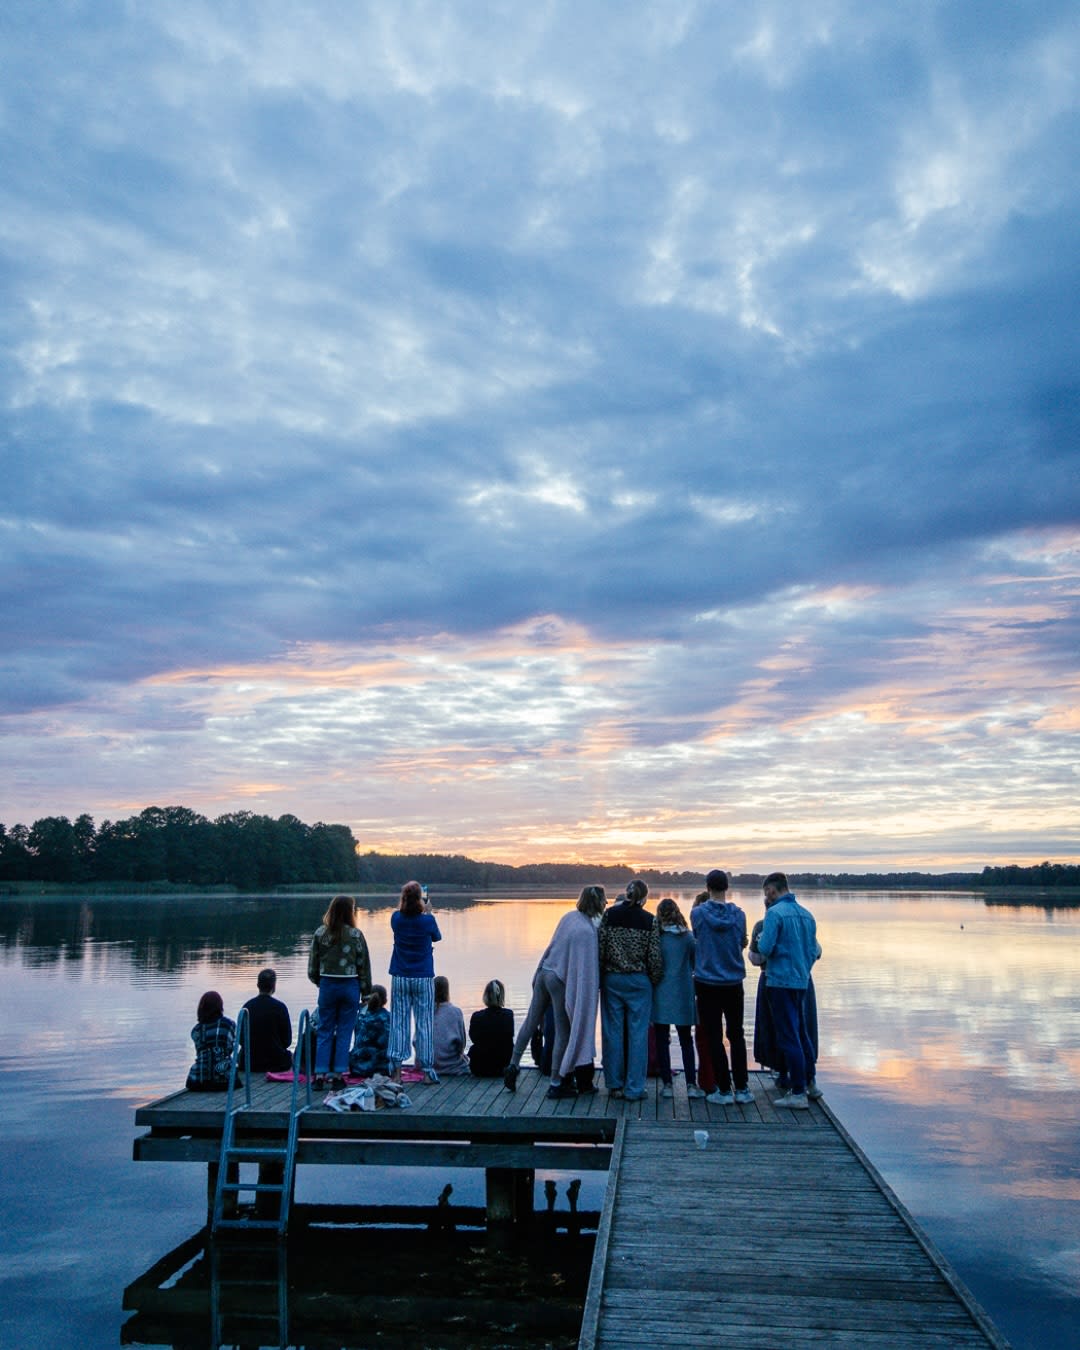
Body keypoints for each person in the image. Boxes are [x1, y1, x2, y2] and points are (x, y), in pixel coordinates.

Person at [503, 884, 607, 1099]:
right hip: (559, 980)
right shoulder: (587, 931)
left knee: (531, 1020)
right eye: (604, 900)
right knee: (563, 1031)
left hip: (545, 970)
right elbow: (585, 971)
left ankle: (513, 1064)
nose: (607, 903)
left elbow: (554, 945)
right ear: (597, 903)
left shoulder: (569, 917)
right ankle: (556, 1082)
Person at [756, 872, 822, 1109]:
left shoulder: (775, 914)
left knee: (788, 1036)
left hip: (779, 982)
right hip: (801, 981)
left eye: (767, 894)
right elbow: (814, 951)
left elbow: (764, 948)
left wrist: (762, 935)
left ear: (772, 891)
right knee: (802, 1032)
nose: (767, 898)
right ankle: (810, 1083)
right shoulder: (807, 915)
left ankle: (797, 1092)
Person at [690, 869, 752, 1105]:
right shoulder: (740, 915)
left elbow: (697, 937)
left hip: (706, 982)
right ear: (727, 887)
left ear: (708, 888)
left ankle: (724, 1090)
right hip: (734, 982)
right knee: (736, 1035)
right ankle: (743, 1088)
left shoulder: (697, 914)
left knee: (714, 1036)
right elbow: (740, 942)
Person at [599, 878, 663, 1102]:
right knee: (638, 1035)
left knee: (612, 1033)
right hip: (638, 981)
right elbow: (654, 957)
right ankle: (635, 1088)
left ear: (626, 894)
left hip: (613, 979)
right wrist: (654, 980)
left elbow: (601, 946)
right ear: (644, 898)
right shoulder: (650, 920)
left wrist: (600, 976)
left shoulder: (610, 915)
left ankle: (614, 1085)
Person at [307, 895, 373, 1089]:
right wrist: (366, 992)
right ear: (349, 912)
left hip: (328, 985)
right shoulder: (355, 935)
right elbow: (364, 966)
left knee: (324, 1030)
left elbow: (313, 966)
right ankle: (337, 1075)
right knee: (345, 1031)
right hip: (349, 986)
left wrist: (320, 982)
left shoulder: (320, 934)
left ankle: (319, 1075)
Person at [388, 880, 442, 1084]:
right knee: (424, 1024)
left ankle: (396, 1072)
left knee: (398, 1024)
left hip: (400, 976)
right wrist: (428, 912)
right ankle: (427, 1070)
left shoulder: (396, 918)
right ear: (420, 899)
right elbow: (436, 937)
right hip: (423, 976)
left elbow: (400, 915)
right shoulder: (427, 921)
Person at [651, 898, 705, 1098]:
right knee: (686, 1041)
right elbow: (695, 964)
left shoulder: (657, 937)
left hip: (661, 993)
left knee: (662, 1040)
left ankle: (667, 1085)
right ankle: (691, 1084)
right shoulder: (688, 938)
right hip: (683, 992)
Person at [241, 968, 293, 1072]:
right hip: (276, 1063)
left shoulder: (247, 1007)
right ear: (274, 986)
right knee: (291, 1055)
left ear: (257, 985)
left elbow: (241, 1039)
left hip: (249, 1063)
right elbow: (287, 1041)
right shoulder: (280, 1007)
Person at [185, 990, 236, 1092]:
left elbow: (200, 1052)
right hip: (224, 1079)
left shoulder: (196, 1030)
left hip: (198, 1079)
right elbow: (229, 1049)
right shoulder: (229, 1025)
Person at [468, 978, 515, 1078]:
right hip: (503, 1067)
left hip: (479, 1067)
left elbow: (473, 1038)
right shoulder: (508, 1015)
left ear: (486, 996)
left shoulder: (476, 1016)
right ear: (501, 996)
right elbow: (509, 1036)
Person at [431, 975, 470, 1076]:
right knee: (467, 1060)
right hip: (450, 1066)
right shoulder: (456, 1012)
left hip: (426, 1066)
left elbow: (415, 1041)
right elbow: (462, 1044)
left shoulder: (423, 1012)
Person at [350, 985, 391, 1077]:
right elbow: (385, 1042)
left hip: (356, 1067)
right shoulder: (387, 1017)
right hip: (379, 1068)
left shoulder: (360, 1015)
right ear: (385, 999)